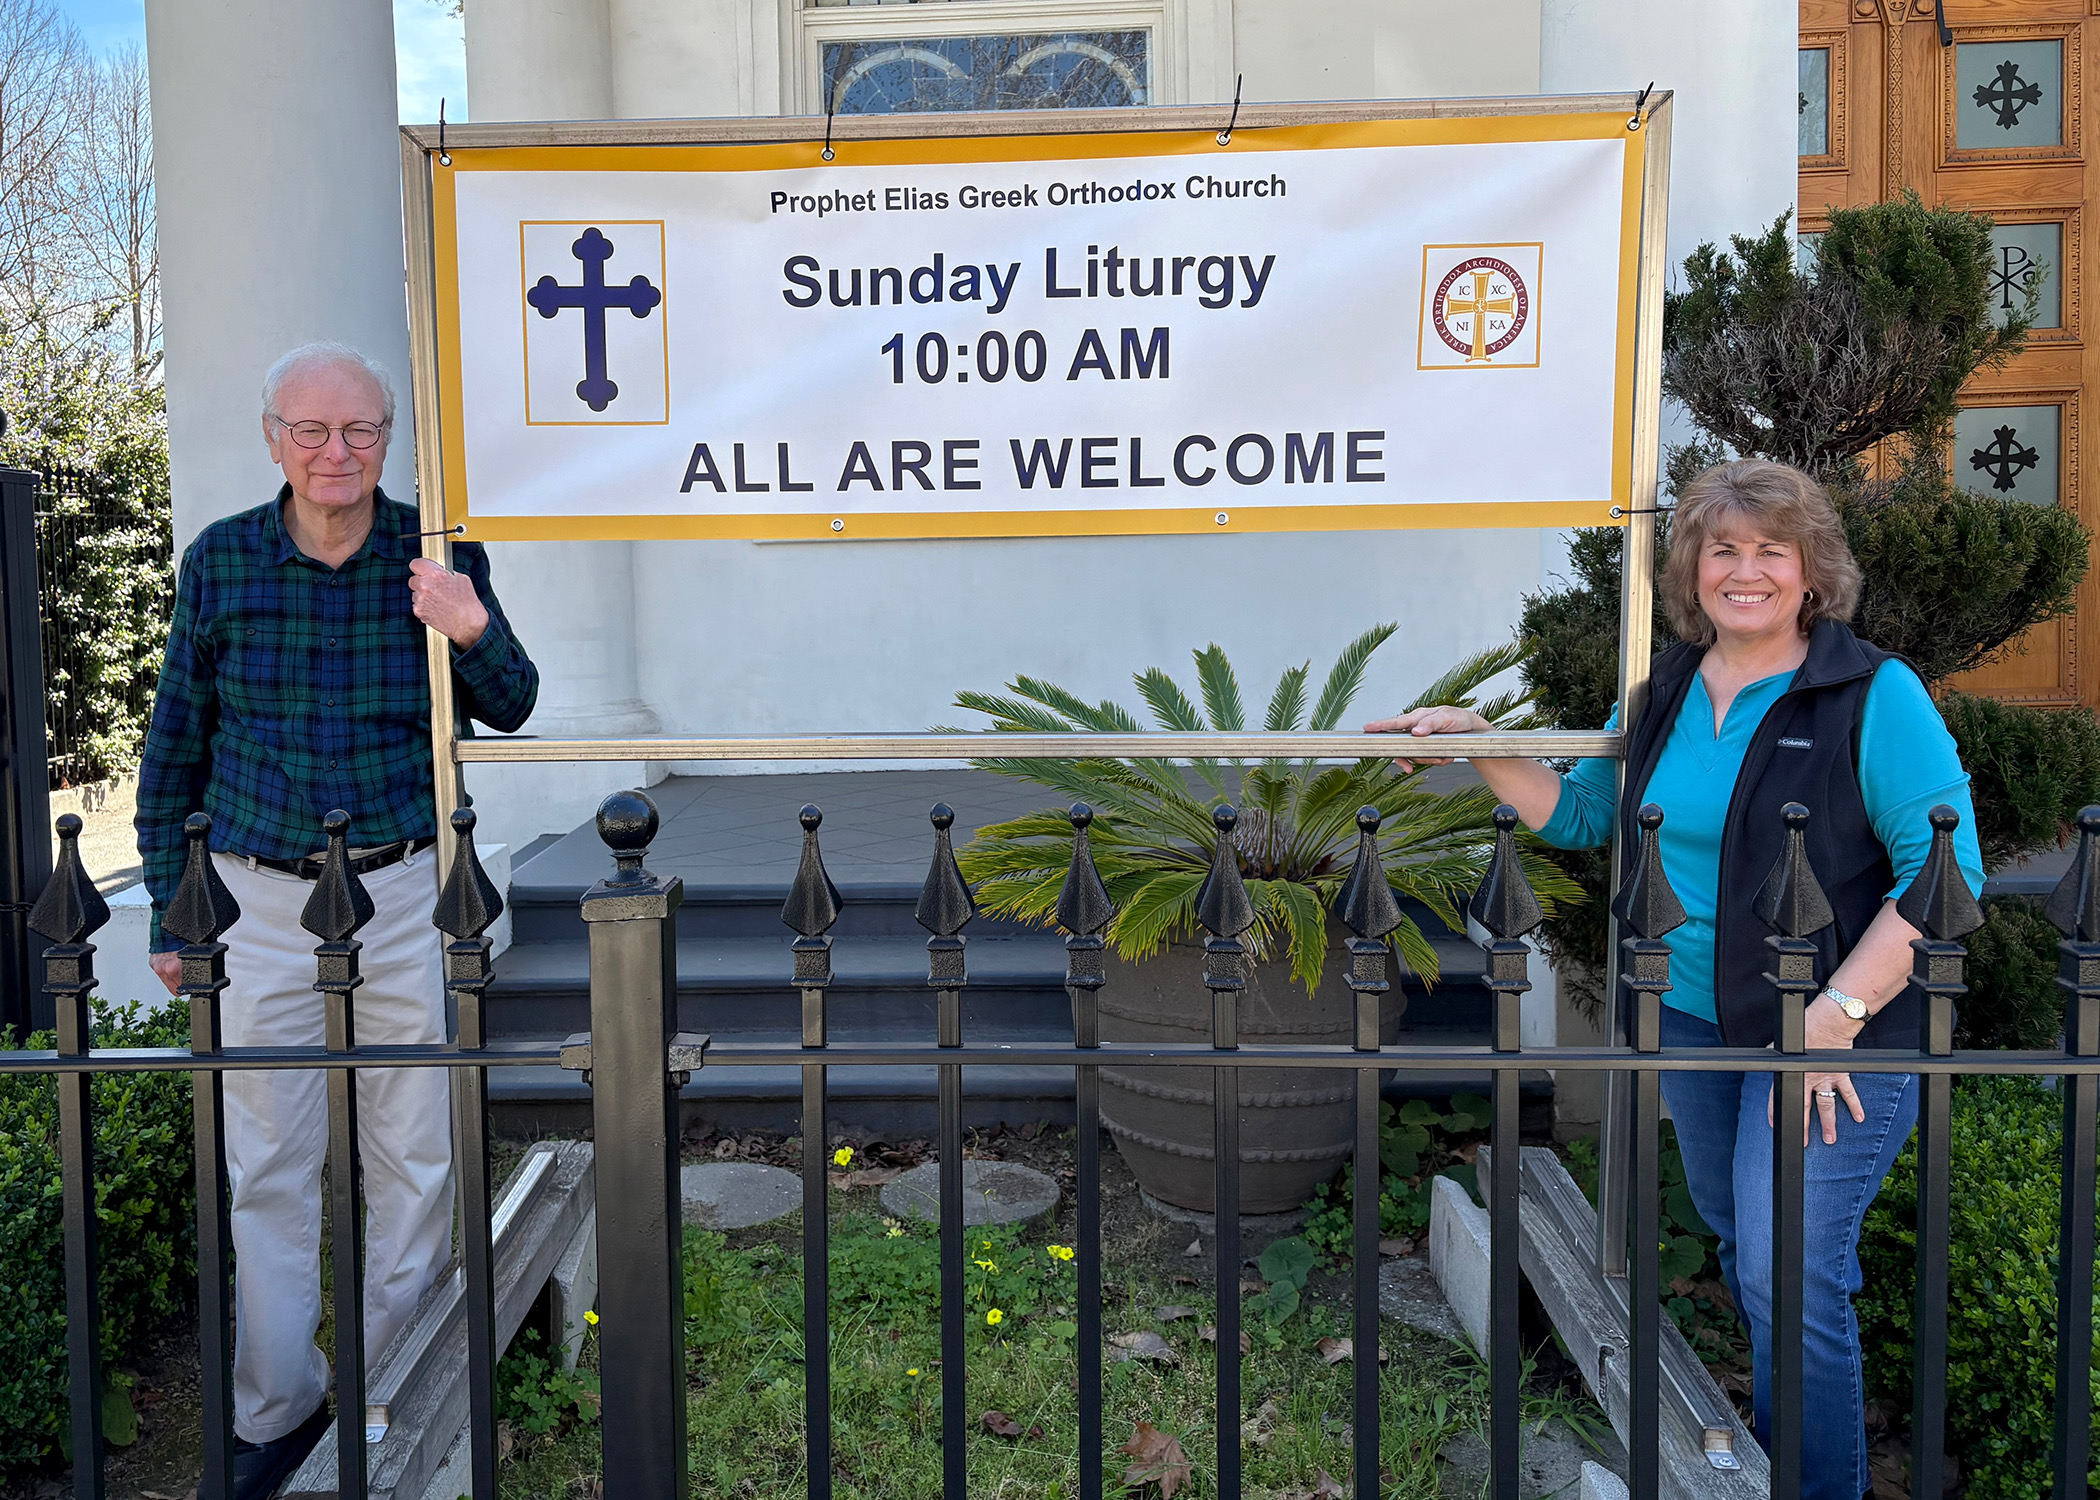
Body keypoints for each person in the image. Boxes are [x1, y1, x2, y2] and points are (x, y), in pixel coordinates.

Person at [1367, 459, 1982, 1500]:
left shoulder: (1871, 692)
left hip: (1834, 1036)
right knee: (1748, 1245)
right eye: (1723, 549)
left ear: (1812, 570)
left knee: (1790, 1271)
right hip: (1693, 1018)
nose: (1746, 571)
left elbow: (1947, 870)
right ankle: (1785, 1449)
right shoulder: (1663, 689)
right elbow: (1584, 816)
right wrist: (1479, 742)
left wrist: (1835, 1017)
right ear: (1692, 567)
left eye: (1772, 551)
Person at [134, 342, 539, 1499]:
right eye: (309, 431)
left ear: (387, 438)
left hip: (401, 890)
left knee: (412, 1152)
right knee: (267, 1161)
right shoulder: (221, 562)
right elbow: (176, 744)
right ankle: (275, 1412)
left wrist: (469, 627)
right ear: (274, 440)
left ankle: (397, 1398)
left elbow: (513, 705)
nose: (335, 453)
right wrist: (171, 904)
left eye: (358, 430)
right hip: (259, 901)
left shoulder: (437, 553)